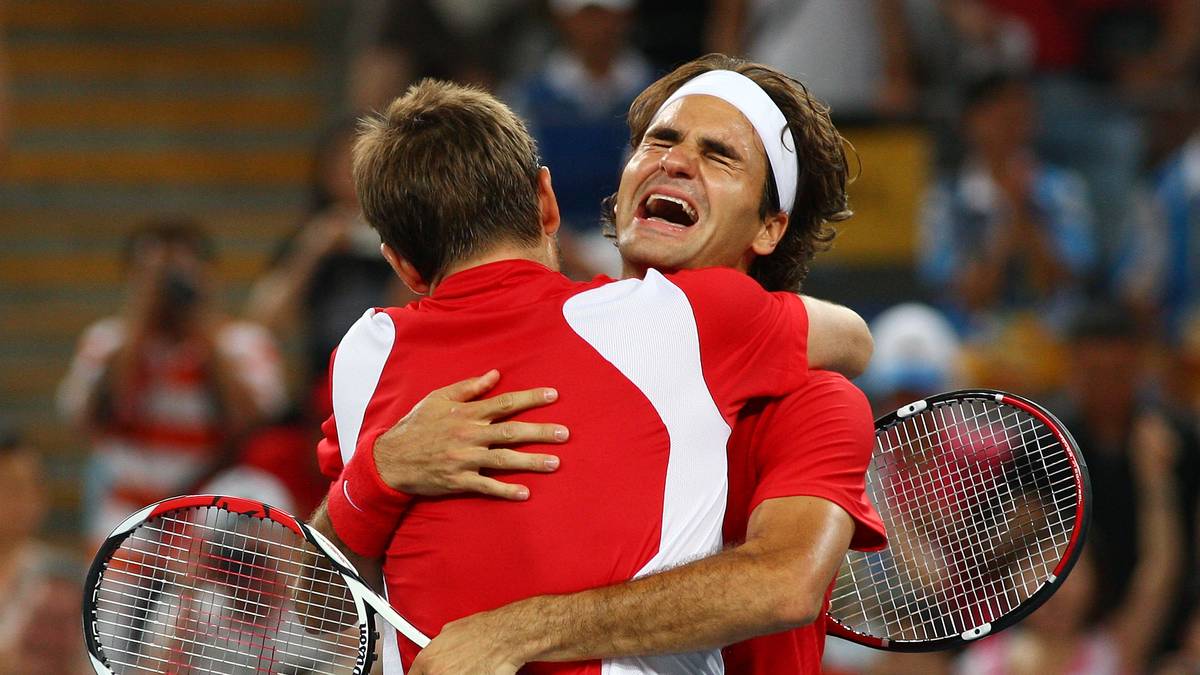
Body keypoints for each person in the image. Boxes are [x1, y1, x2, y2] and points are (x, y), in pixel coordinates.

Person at [316, 54, 886, 674]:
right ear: (553, 200)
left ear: (770, 228)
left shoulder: (816, 401)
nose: (674, 159)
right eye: (659, 140)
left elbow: (782, 583)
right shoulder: (468, 353)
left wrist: (517, 631)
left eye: (719, 154)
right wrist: (377, 472)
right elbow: (329, 603)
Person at [57, 217, 287, 543]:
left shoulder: (243, 344)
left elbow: (253, 427)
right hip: (126, 516)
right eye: (150, 276)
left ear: (210, 276)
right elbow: (85, 420)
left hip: (209, 520)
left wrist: (203, 329)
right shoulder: (107, 341)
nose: (167, 288)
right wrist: (139, 323)